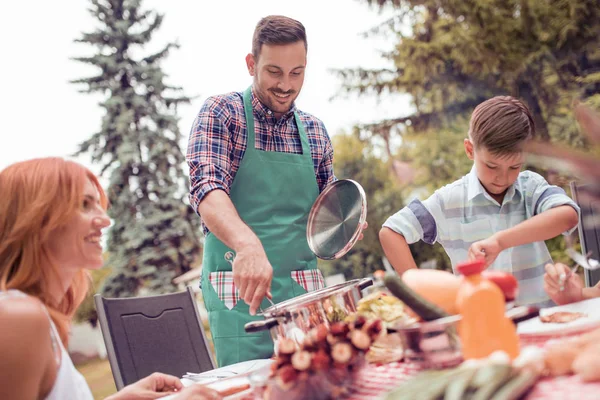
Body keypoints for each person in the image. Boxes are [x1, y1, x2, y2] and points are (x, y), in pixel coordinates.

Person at [186, 15, 366, 367]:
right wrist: (246, 244)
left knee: (320, 384)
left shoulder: (315, 132)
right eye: (274, 72)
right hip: (240, 296)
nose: (286, 85)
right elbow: (207, 189)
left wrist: (348, 224)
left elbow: (327, 213)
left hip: (305, 295)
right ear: (251, 64)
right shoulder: (222, 113)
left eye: (296, 73)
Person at [0, 157, 222, 400]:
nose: (105, 220)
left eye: (98, 204)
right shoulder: (17, 317)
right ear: (34, 218)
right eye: (84, 205)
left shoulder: (37, 315)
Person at [379, 96, 580, 307]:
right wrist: (419, 297)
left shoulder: (530, 187)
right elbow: (391, 232)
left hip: (544, 323)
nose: (503, 178)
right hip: (482, 330)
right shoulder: (448, 201)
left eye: (514, 167)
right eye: (491, 166)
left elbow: (567, 215)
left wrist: (500, 242)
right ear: (470, 150)